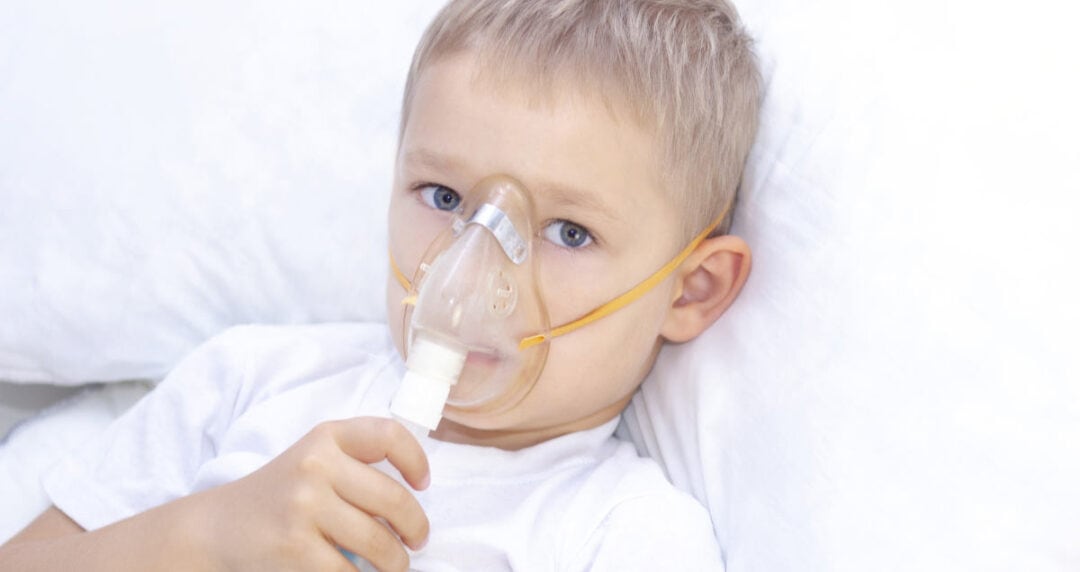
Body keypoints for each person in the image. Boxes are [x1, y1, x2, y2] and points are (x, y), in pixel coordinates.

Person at [0, 0, 760, 569]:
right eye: (444, 198)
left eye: (568, 233)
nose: (473, 269)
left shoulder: (625, 534)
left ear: (689, 290)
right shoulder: (249, 382)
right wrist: (202, 534)